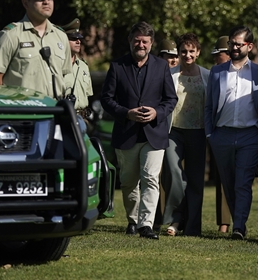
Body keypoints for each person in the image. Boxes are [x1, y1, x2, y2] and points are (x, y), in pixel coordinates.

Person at [100, 22, 178, 240]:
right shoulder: (117, 66)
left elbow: (171, 99)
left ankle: (146, 225)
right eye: (137, 40)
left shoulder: (161, 67)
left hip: (154, 133)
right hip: (127, 133)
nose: (140, 44)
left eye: (145, 41)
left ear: (151, 43)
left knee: (151, 178)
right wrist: (126, 113)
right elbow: (106, 99)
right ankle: (132, 220)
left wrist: (157, 113)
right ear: (130, 41)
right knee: (128, 182)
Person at [204, 25, 258, 240]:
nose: (233, 47)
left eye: (238, 44)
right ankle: (237, 220)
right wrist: (209, 134)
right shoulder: (217, 71)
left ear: (249, 46)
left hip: (250, 136)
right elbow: (208, 105)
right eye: (231, 43)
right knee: (228, 182)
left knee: (243, 182)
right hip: (221, 135)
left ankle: (239, 227)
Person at [0, 0, 71, 99]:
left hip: (55, 112)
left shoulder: (61, 37)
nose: (46, 2)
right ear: (25, 3)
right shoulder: (11, 36)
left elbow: (65, 77)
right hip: (24, 112)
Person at [161, 33, 210, 236]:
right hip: (173, 132)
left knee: (196, 180)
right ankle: (175, 219)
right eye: (183, 51)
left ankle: (192, 227)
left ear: (197, 52)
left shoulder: (207, 75)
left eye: (191, 51)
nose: (187, 55)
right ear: (178, 53)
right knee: (174, 173)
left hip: (198, 132)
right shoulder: (170, 74)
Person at [209, 35, 232, 233]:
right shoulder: (214, 74)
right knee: (222, 178)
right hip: (220, 132)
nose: (216, 59)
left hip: (244, 132)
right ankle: (224, 222)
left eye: (219, 54)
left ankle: (238, 221)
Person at [60, 18, 93, 118]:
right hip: (65, 117)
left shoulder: (83, 66)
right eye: (73, 38)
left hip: (83, 118)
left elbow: (88, 94)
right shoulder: (57, 65)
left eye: (79, 38)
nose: (78, 41)